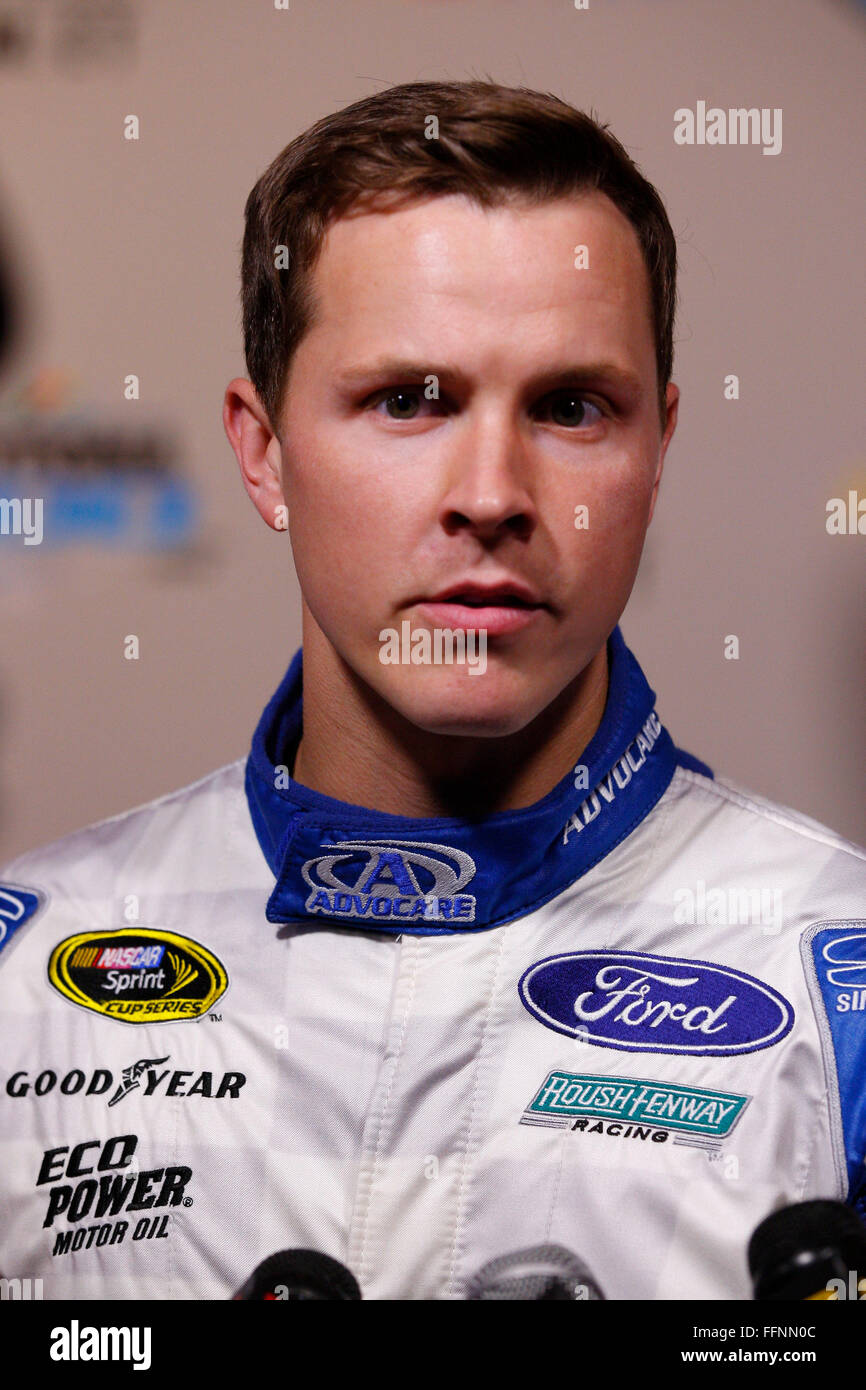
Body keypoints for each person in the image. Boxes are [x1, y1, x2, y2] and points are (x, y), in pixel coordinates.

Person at [0, 80, 863, 1302]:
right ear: (263, 452)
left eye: (571, 407)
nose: (492, 491)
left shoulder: (838, 977)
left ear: (656, 449)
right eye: (408, 400)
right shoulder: (22, 970)